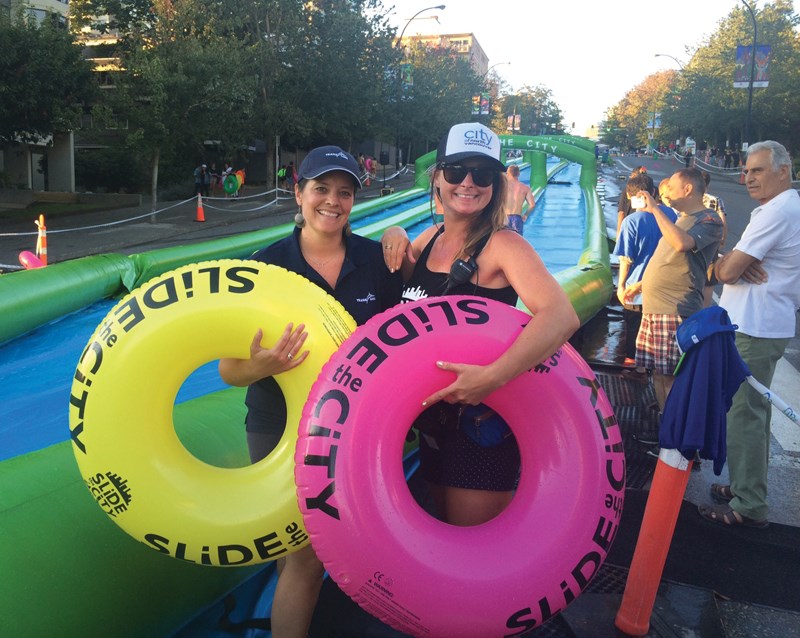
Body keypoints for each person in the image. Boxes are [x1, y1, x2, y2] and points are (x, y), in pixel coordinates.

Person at [218, 146, 403, 637]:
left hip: (351, 427)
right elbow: (228, 371)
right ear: (298, 193)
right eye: (321, 188)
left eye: (344, 192)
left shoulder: (374, 260)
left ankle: (294, 612)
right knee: (301, 555)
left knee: (307, 555)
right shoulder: (266, 267)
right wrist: (261, 365)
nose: (332, 201)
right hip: (277, 426)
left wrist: (398, 231)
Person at [382, 122, 580, 527]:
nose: (468, 183)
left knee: (470, 559)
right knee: (438, 540)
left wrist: (490, 378)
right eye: (456, 171)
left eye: (483, 174)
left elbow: (561, 316)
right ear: (437, 177)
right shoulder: (430, 240)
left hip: (479, 427)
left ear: (495, 184)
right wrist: (394, 229)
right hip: (432, 426)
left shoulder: (504, 245)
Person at [699, 141, 800, 528]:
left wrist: (732, 264)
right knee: (747, 411)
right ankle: (743, 484)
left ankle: (749, 504)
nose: (748, 178)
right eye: (746, 171)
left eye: (757, 170)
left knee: (746, 415)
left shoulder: (778, 211)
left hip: (756, 328)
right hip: (756, 323)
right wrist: (736, 264)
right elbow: (730, 267)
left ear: (783, 170)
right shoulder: (778, 209)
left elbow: (723, 272)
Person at [634, 168, 724, 412]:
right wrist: (640, 285)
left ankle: (677, 440)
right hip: (656, 309)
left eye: (671, 188)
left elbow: (682, 244)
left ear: (688, 189)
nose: (666, 195)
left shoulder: (708, 220)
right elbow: (669, 259)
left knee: (673, 376)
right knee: (660, 375)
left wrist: (653, 209)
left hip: (674, 308)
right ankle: (667, 432)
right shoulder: (682, 219)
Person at [614, 172, 677, 367]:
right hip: (665, 289)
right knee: (658, 333)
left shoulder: (631, 222)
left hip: (636, 289)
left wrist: (621, 286)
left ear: (630, 197)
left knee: (634, 328)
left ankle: (635, 366)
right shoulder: (671, 215)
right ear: (653, 192)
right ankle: (655, 367)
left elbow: (626, 259)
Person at [701, 170, 729, 307]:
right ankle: (704, 312)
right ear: (708, 184)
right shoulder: (716, 200)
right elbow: (722, 220)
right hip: (712, 245)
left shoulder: (690, 198)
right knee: (709, 282)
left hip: (694, 243)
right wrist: (722, 238)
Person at [502, 164, 535, 234]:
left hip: (504, 218)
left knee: (503, 242)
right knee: (517, 242)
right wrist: (526, 215)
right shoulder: (525, 188)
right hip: (517, 218)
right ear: (518, 174)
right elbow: (532, 205)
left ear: (508, 173)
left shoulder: (502, 186)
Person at [616, 165, 648, 238]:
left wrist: (618, 235)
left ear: (633, 175)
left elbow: (621, 212)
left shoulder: (628, 189)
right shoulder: (653, 188)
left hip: (630, 226)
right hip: (647, 226)